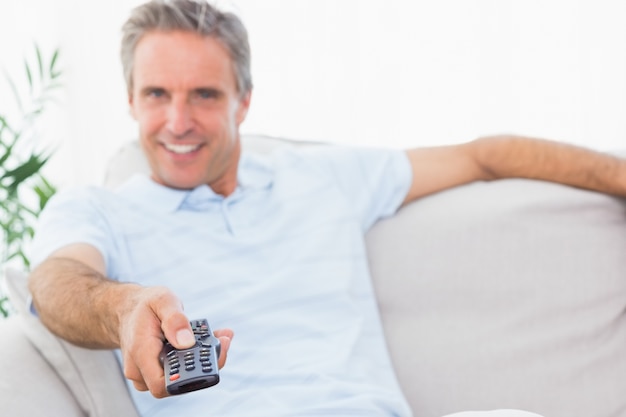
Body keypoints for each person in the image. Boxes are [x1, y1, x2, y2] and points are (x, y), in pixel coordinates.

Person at [27, 0, 626, 416]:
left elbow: (486, 157)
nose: (178, 122)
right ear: (130, 99)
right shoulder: (98, 210)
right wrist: (124, 308)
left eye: (205, 95)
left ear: (244, 102)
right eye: (157, 94)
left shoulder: (323, 177)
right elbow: (57, 283)